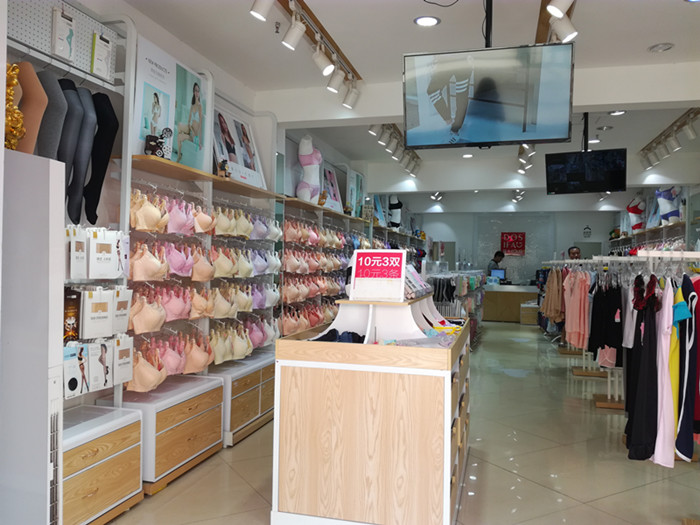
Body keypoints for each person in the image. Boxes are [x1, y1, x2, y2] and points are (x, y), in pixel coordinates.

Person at [177, 82, 203, 162]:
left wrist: (199, 141)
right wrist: (189, 127)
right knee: (179, 125)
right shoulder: (192, 106)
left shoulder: (200, 106)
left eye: (198, 91)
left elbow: (200, 124)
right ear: (193, 92)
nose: (197, 92)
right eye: (195, 90)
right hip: (190, 129)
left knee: (179, 136)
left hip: (194, 135)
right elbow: (189, 121)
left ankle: (179, 156)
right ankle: (179, 155)